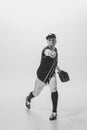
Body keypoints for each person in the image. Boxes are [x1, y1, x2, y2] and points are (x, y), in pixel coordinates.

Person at [25, 33, 61, 120]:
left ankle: (54, 112)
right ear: (47, 41)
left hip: (51, 75)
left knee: (54, 90)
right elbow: (49, 53)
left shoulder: (56, 49)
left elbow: (54, 62)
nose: (51, 41)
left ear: (56, 40)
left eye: (53, 39)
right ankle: (28, 98)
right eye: (49, 40)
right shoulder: (46, 50)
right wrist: (51, 53)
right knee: (35, 93)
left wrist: (58, 70)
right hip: (42, 76)